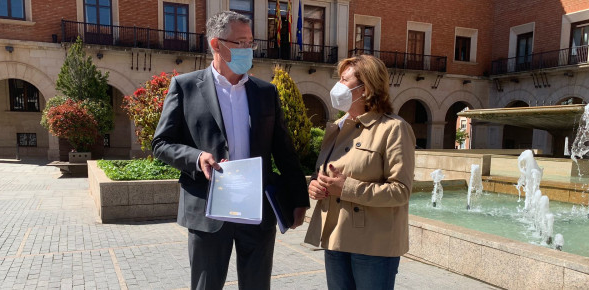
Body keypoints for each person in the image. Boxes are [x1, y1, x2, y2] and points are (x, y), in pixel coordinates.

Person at [152, 11, 309, 290]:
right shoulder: (185, 87)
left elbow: (284, 152)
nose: (248, 50)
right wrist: (197, 157)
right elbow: (161, 144)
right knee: (206, 285)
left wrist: (299, 199)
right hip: (209, 208)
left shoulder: (265, 92)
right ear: (216, 44)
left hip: (256, 210)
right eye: (240, 43)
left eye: (251, 42)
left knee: (257, 285)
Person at [304, 54, 415, 290]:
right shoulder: (338, 127)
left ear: (366, 88)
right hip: (335, 237)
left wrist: (346, 188)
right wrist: (315, 185)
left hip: (373, 246)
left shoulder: (393, 128)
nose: (338, 86)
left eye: (345, 80)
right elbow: (326, 174)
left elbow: (401, 191)